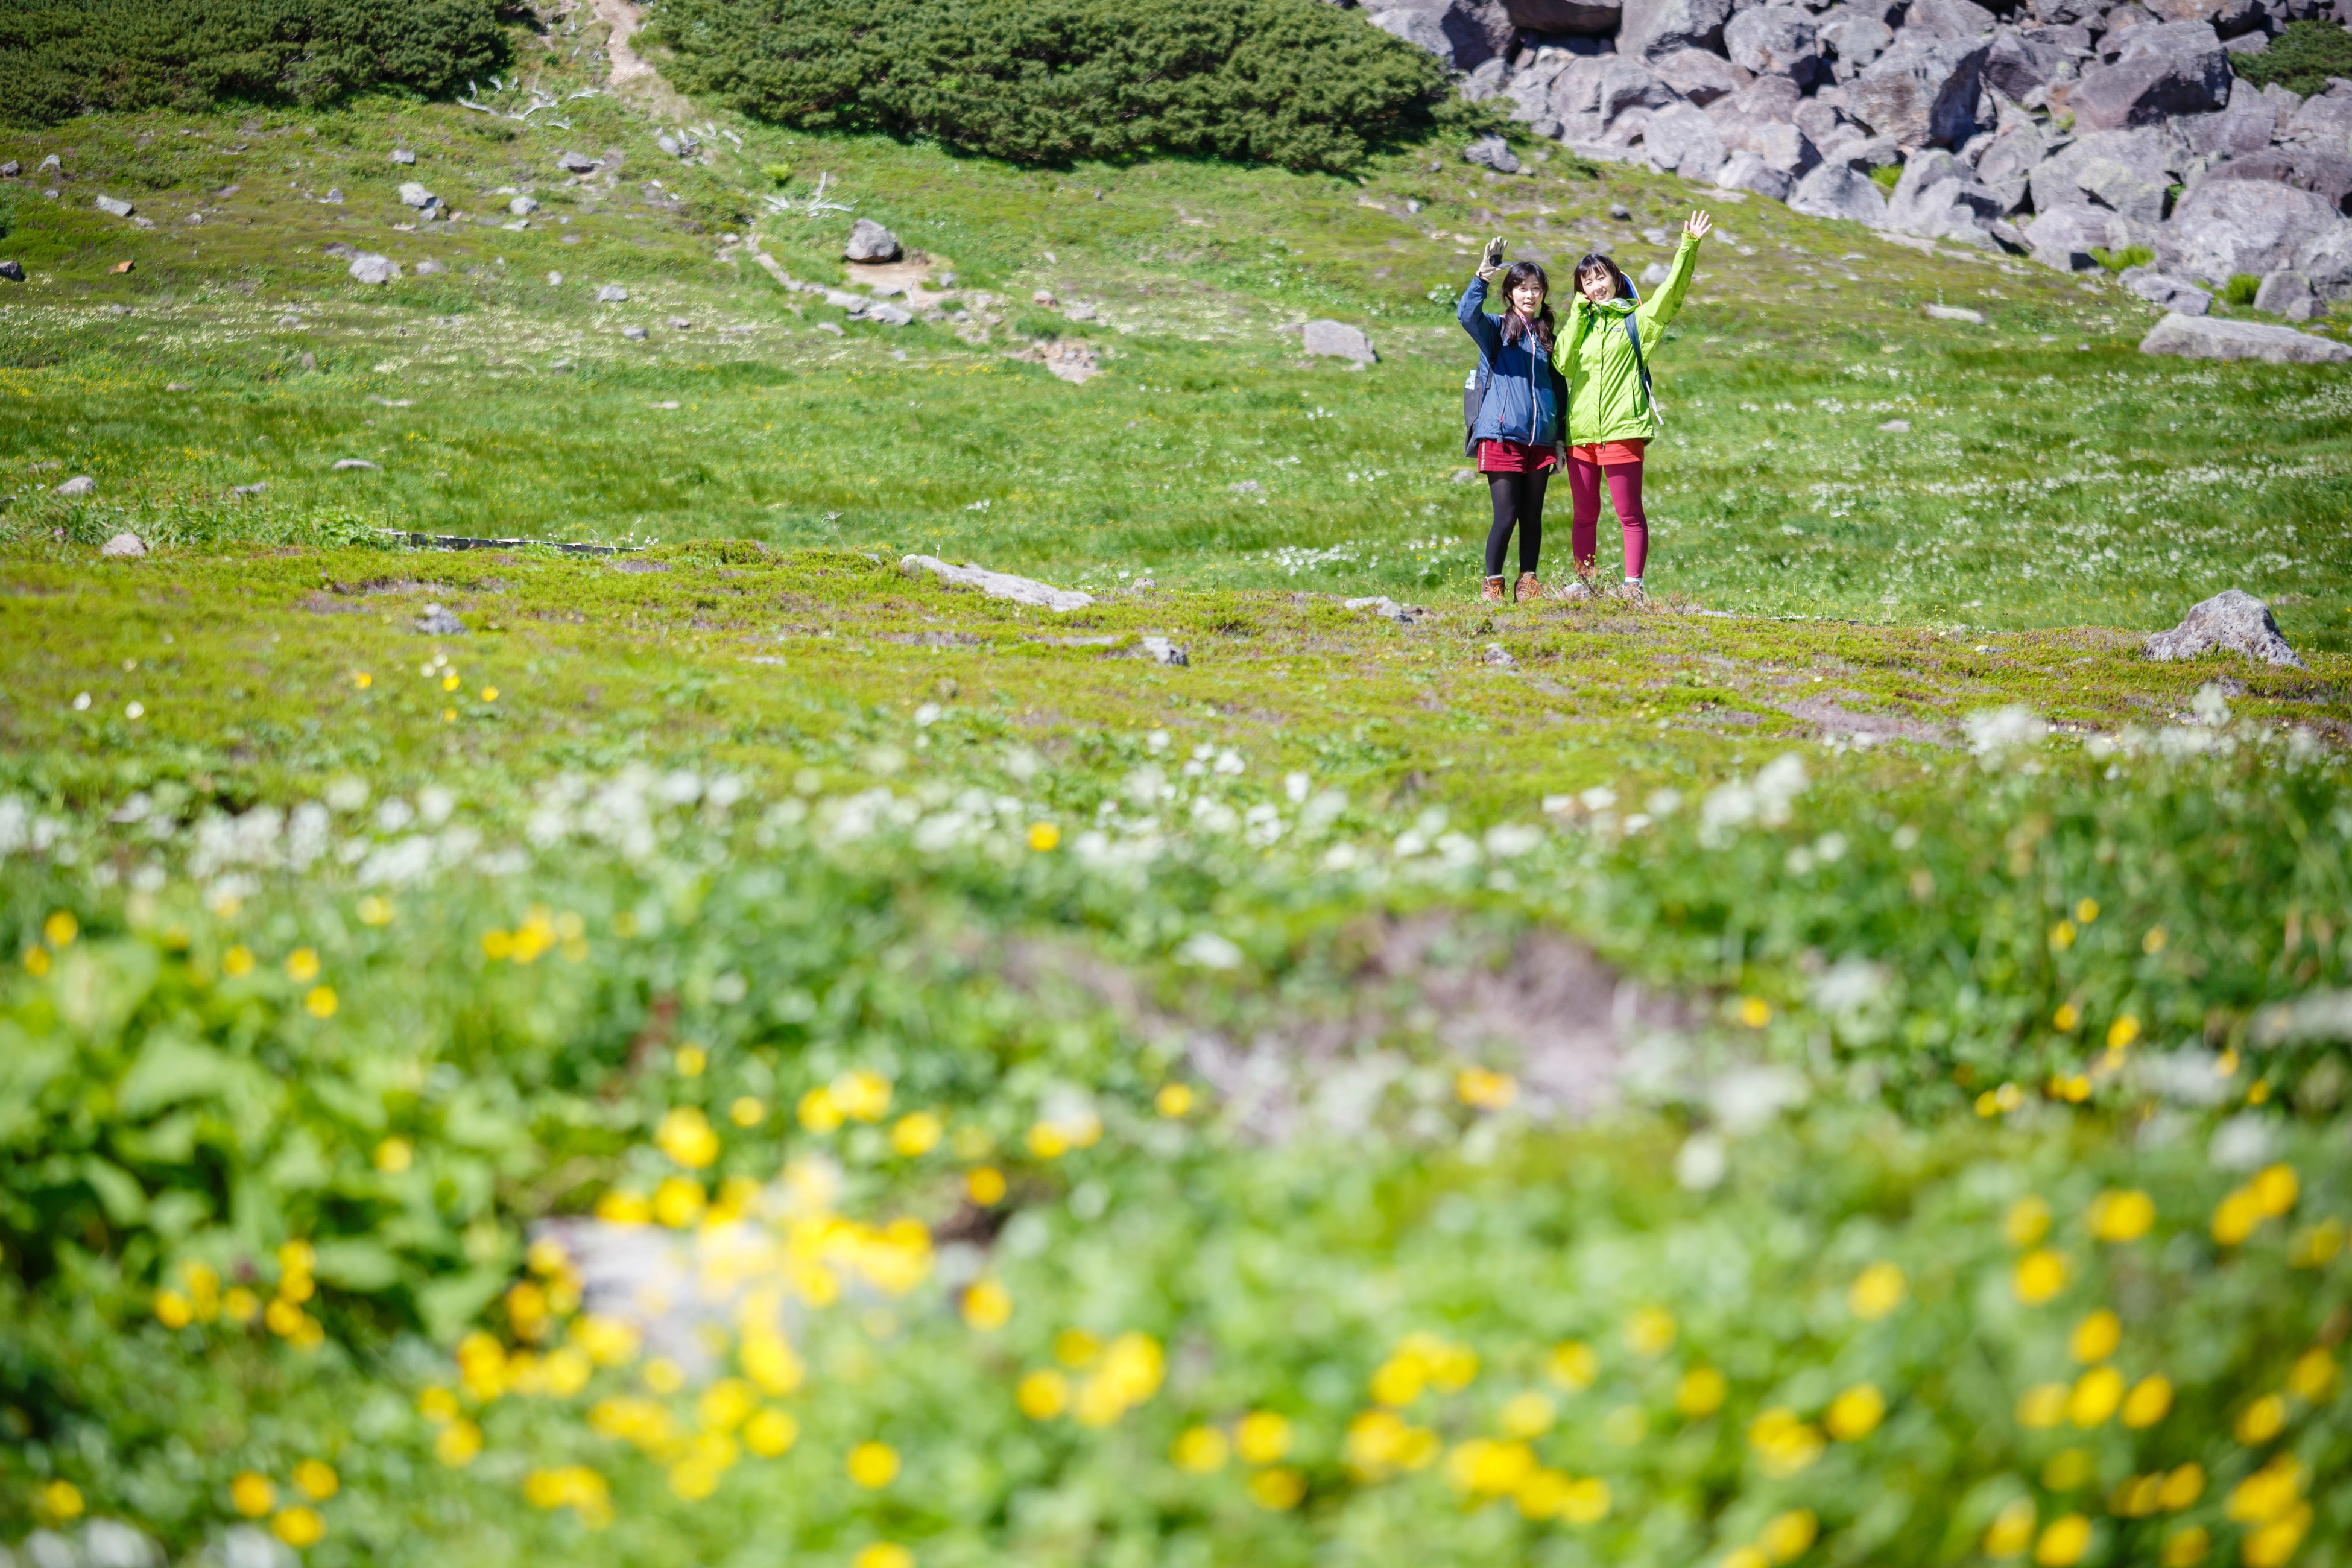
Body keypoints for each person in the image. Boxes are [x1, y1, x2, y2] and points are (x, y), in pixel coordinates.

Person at [1552, 210, 1712, 601]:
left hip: (1624, 430)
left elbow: (1672, 293)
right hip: (1581, 434)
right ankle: (1585, 582)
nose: (1596, 286)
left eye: (1601, 277)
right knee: (1584, 515)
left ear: (1616, 278)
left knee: (1629, 513)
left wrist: (1688, 246)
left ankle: (1633, 585)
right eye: (1587, 281)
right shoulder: (1582, 324)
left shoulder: (1638, 321)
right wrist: (1576, 314)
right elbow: (1563, 363)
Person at [1458, 241, 1567, 603]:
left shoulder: (1548, 338)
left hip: (1540, 440)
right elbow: (1466, 315)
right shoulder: (1495, 329)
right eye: (1522, 288)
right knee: (1506, 515)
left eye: (1536, 288)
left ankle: (1528, 583)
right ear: (1509, 294)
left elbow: (1558, 388)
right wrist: (1482, 277)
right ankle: (1493, 585)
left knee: (1532, 516)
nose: (1530, 295)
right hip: (1502, 436)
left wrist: (1560, 439)